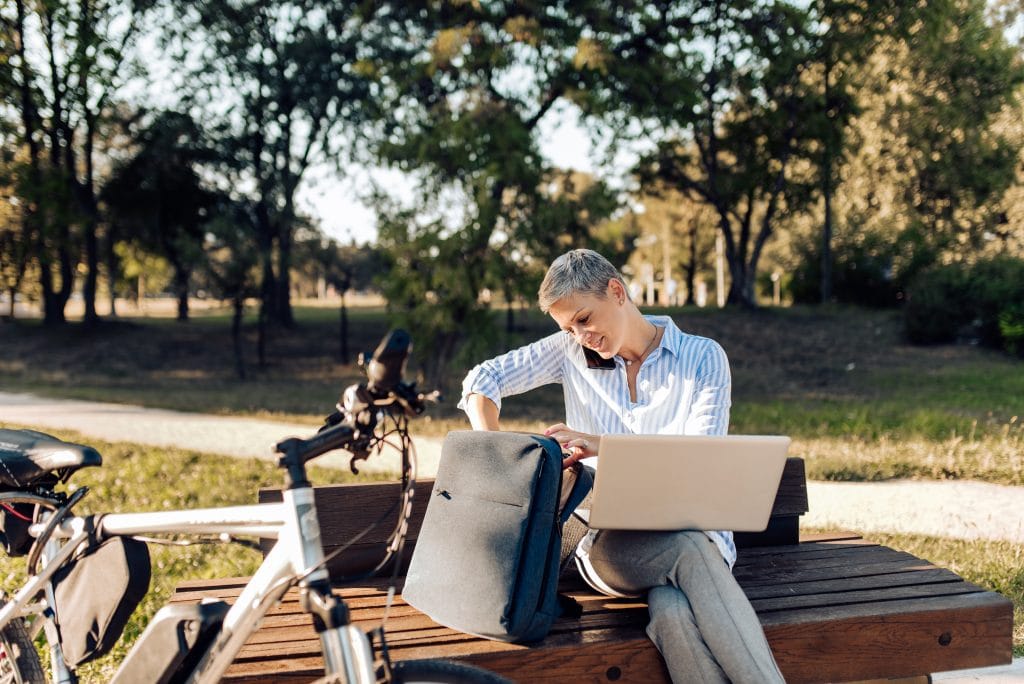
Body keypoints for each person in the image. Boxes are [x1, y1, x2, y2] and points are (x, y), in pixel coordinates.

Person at [458, 249, 785, 684]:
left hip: (700, 544)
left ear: (617, 291)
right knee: (686, 553)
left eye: (584, 319)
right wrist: (495, 445)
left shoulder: (703, 359)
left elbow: (699, 462)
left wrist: (604, 447)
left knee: (672, 612)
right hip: (611, 548)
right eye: (568, 328)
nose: (580, 336)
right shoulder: (569, 352)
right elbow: (483, 379)